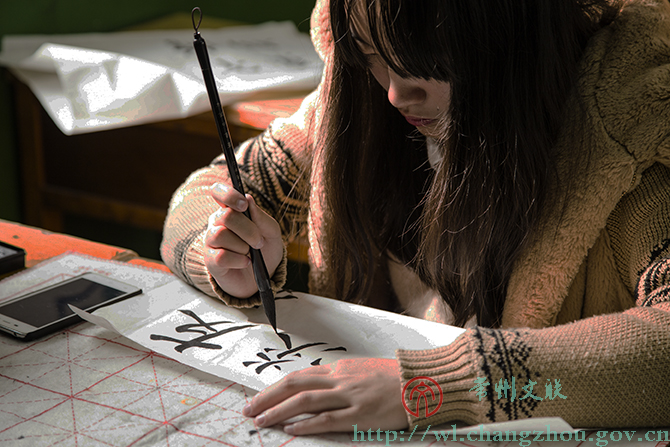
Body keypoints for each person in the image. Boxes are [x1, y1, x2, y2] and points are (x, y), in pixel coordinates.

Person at [161, 0, 670, 434]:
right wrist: (223, 251)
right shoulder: (359, 111)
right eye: (371, 55)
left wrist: (434, 386)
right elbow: (202, 192)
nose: (396, 93)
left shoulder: (626, 151)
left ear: (513, 38)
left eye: (429, 60)